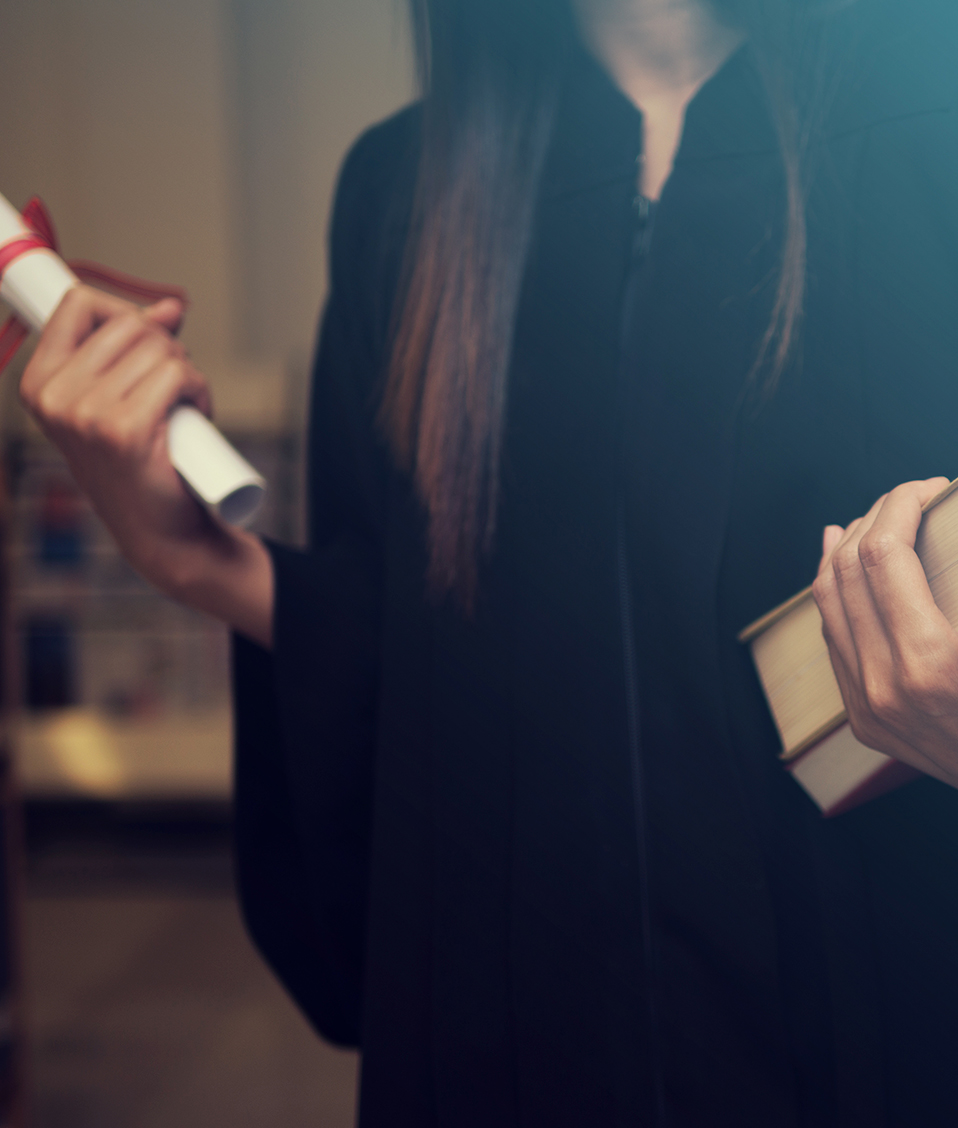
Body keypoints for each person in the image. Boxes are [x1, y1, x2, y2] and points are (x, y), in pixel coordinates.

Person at [17, 0, 958, 1122]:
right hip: (522, 1056)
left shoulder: (925, 128)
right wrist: (194, 562)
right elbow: (419, 670)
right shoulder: (407, 195)